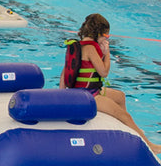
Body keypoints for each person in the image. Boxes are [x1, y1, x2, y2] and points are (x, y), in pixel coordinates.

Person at [63, 13, 160, 154]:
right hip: (87, 96)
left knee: (120, 96)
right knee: (124, 116)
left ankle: (129, 132)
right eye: (106, 36)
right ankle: (149, 145)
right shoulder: (90, 48)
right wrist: (107, 53)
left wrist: (63, 93)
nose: (106, 39)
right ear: (99, 34)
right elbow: (104, 72)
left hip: (85, 91)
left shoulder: (77, 45)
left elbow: (64, 72)